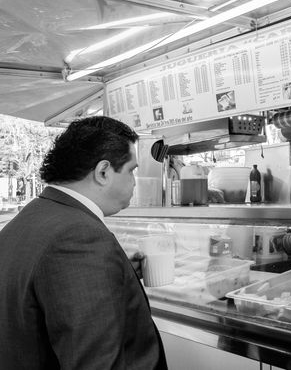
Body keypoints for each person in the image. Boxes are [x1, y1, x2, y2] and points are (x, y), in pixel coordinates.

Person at [0, 116, 168, 369]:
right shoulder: (79, 238)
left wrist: (116, 275)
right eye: (131, 170)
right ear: (103, 172)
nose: (134, 181)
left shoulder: (29, 218)